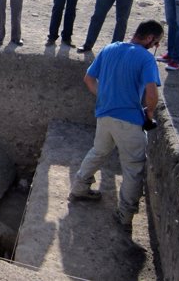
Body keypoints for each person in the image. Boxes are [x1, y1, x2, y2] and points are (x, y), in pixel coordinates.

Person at [69, 20, 163, 233]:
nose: (154, 46)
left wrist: (104, 97)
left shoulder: (109, 48)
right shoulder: (146, 59)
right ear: (149, 39)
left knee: (99, 151)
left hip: (105, 115)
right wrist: (148, 113)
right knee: (132, 167)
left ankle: (79, 187)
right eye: (156, 43)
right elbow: (151, 93)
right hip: (130, 120)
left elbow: (88, 79)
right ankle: (125, 213)